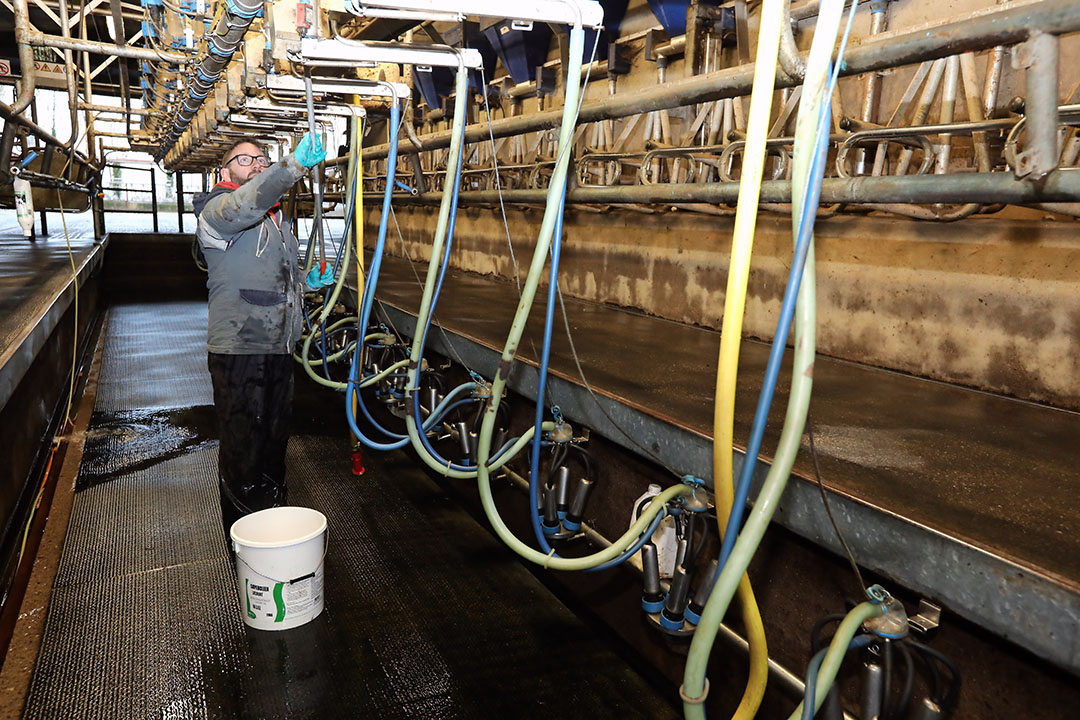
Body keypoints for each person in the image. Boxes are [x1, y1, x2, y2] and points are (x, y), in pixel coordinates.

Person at [192, 132, 334, 534]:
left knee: (273, 442)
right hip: (240, 348)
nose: (255, 165)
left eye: (261, 159)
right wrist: (291, 166)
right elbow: (245, 202)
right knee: (244, 447)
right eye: (245, 160)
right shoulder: (218, 211)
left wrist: (308, 281)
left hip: (277, 345)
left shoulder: (274, 217)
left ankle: (273, 528)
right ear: (224, 171)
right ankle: (245, 540)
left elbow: (274, 276)